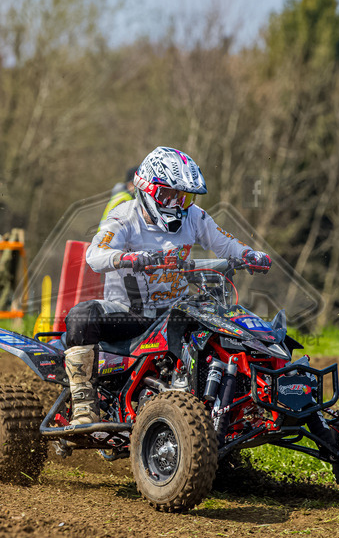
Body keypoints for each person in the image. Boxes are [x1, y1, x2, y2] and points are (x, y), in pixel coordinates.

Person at [64, 146, 271, 425]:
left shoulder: (194, 216)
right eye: (167, 195)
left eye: (182, 197)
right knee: (81, 315)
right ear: (148, 190)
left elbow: (226, 244)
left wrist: (248, 255)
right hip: (130, 313)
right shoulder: (124, 217)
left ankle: (239, 401)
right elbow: (94, 255)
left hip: (176, 311)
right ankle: (83, 404)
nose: (175, 204)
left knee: (226, 327)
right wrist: (127, 258)